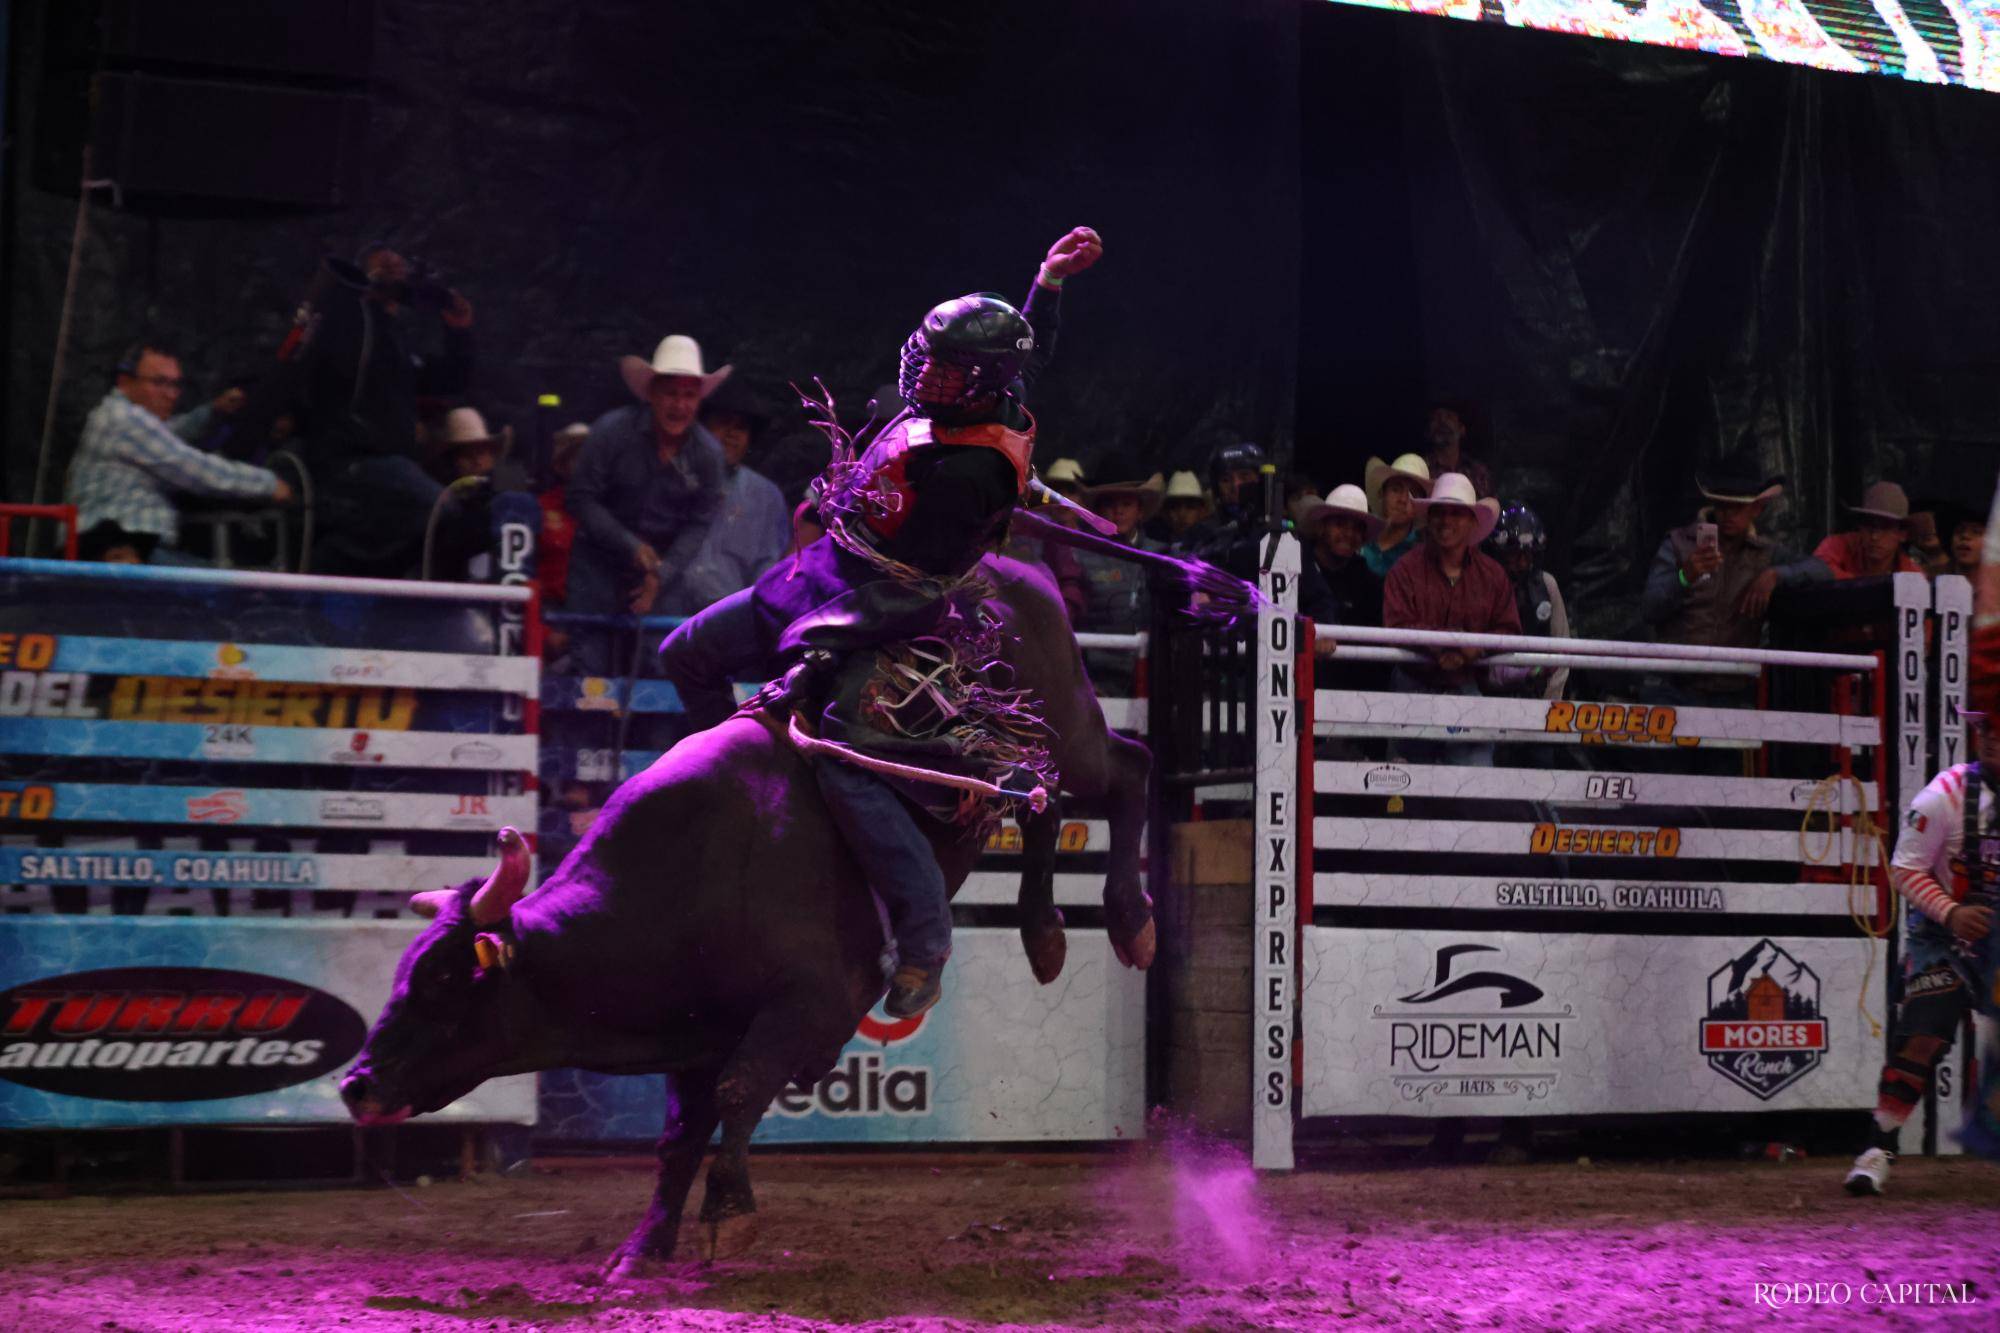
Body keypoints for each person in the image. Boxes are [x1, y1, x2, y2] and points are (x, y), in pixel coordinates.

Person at [661, 225, 1105, 1019]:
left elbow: (921, 587)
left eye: (945, 366)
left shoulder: (972, 472)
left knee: (843, 756)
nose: (923, 372)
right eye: (926, 353)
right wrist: (1049, 282)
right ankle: (742, 785)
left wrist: (822, 639)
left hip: (891, 609)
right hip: (818, 573)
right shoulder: (981, 388)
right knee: (686, 652)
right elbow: (1027, 354)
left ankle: (925, 937)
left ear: (978, 386)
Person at [1844, 717, 1998, 1195]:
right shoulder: (1943, 796)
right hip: (1944, 936)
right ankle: (1876, 1149)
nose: (1993, 739)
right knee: (1924, 1035)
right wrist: (1951, 912)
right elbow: (1905, 869)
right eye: (1988, 730)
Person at [302, 245, 475, 576]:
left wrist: (459, 331)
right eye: (386, 263)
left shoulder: (397, 342)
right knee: (437, 508)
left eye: (400, 265)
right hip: (350, 461)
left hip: (392, 466)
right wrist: (369, 290)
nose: (395, 268)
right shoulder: (349, 322)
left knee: (456, 516)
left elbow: (451, 378)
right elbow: (325, 356)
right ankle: (326, 562)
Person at [565, 335, 731, 673]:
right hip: (597, 565)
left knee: (660, 665)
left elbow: (701, 521)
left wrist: (662, 573)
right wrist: (628, 544)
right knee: (590, 667)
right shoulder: (612, 432)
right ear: (652, 394)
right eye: (671, 393)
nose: (679, 405)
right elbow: (581, 496)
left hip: (664, 571)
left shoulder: (708, 455)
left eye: (689, 395)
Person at [66, 341, 291, 565]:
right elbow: (194, 468)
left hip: (132, 545)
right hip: (118, 549)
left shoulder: (123, 418)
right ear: (125, 382)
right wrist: (268, 483)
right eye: (159, 383)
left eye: (174, 385)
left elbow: (169, 435)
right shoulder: (123, 418)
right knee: (234, 588)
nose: (171, 395)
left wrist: (214, 410)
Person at [1637, 469, 1829, 707]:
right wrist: (1684, 577)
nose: (1728, 515)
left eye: (1737, 507)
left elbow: (1822, 571)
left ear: (1756, 509)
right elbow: (1650, 609)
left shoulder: (1766, 554)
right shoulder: (1678, 543)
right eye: (1722, 505)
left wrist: (1776, 575)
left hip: (1735, 694)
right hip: (1674, 690)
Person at [1382, 472, 1516, 766]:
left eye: (1456, 513)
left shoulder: (1493, 575)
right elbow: (1396, 625)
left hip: (1465, 685)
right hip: (1412, 686)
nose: (1446, 521)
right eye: (1439, 513)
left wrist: (1473, 650)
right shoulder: (1404, 570)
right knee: (1404, 789)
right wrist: (1447, 646)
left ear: (1471, 522)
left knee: (1473, 783)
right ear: (1428, 519)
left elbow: (1508, 630)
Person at [658, 380, 792, 615]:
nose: (731, 434)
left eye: (740, 427)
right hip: (660, 617)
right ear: (701, 430)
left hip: (726, 624)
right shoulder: (666, 478)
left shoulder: (766, 496)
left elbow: (768, 570)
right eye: (722, 423)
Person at [1073, 456, 1164, 697]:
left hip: (1157, 681)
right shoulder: (1078, 558)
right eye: (1110, 503)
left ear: (1140, 511)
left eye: (1127, 503)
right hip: (1098, 683)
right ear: (1098, 511)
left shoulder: (1165, 557)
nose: (1119, 510)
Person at [1484, 503, 1570, 701]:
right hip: (1488, 694)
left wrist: (1549, 704)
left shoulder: (1546, 585)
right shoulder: (1483, 585)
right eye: (1514, 555)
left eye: (1527, 555)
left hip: (1539, 692)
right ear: (1500, 553)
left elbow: (1562, 649)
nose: (1522, 563)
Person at [1295, 483, 1384, 631]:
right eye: (1340, 524)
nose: (1349, 534)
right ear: (1321, 527)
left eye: (1357, 528)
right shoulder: (1293, 567)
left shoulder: (1369, 585)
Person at [1812, 482, 1923, 581]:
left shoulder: (1911, 576)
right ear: (1860, 527)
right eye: (1869, 525)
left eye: (1885, 527)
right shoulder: (1839, 545)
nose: (1874, 536)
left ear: (1902, 534)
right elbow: (1817, 567)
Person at [1360, 453, 1430, 576]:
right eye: (1396, 490)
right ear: (1383, 493)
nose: (1403, 499)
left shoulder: (1422, 557)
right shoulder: (1358, 536)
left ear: (1421, 504)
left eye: (1412, 494)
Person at [1422, 404, 1495, 500]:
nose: (1441, 421)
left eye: (1449, 417)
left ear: (1461, 429)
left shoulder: (1478, 472)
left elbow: (1489, 510)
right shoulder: (1421, 471)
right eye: (1435, 418)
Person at [1158, 470, 1211, 544]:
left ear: (1202, 511)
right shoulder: (1156, 550)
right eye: (1174, 507)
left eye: (1190, 507)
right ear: (1165, 513)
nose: (1182, 514)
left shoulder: (1213, 549)